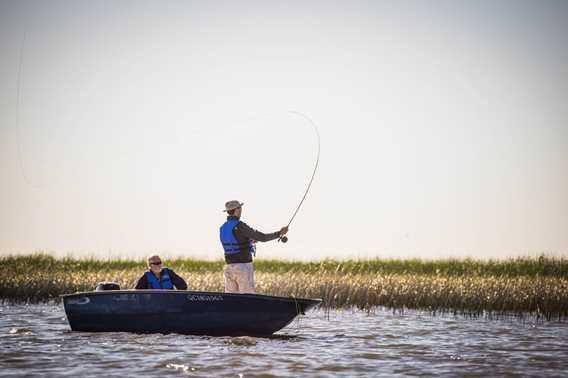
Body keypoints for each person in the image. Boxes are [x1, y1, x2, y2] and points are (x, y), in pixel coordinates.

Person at [219, 200, 288, 293]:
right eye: (240, 208)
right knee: (247, 299)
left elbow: (233, 241)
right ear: (237, 210)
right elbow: (262, 237)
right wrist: (279, 233)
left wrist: (249, 241)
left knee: (231, 300)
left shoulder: (222, 227)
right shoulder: (240, 226)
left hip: (229, 267)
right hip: (243, 267)